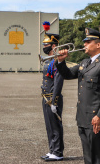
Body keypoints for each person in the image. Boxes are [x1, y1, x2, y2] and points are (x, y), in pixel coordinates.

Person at [56, 28, 100, 164]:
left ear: (98, 45)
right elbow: (67, 74)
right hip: (83, 118)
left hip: (96, 118)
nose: (84, 44)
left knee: (98, 157)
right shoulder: (85, 63)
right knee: (88, 157)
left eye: (88, 42)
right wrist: (61, 61)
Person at [40, 33, 64, 161]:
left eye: (46, 44)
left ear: (54, 45)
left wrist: (54, 101)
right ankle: (52, 150)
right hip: (46, 97)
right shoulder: (49, 60)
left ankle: (58, 152)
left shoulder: (57, 61)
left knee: (55, 126)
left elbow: (58, 82)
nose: (44, 46)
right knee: (49, 126)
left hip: (53, 98)